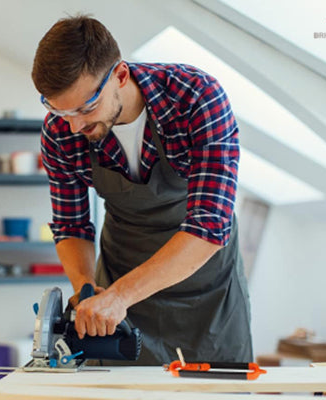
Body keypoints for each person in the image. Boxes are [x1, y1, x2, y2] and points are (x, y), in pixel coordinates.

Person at [32, 14, 252, 365]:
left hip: (205, 292)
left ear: (120, 75)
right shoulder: (60, 131)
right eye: (60, 111)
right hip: (119, 278)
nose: (74, 126)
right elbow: (71, 225)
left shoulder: (196, 98)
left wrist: (120, 297)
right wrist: (86, 290)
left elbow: (209, 225)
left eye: (86, 108)